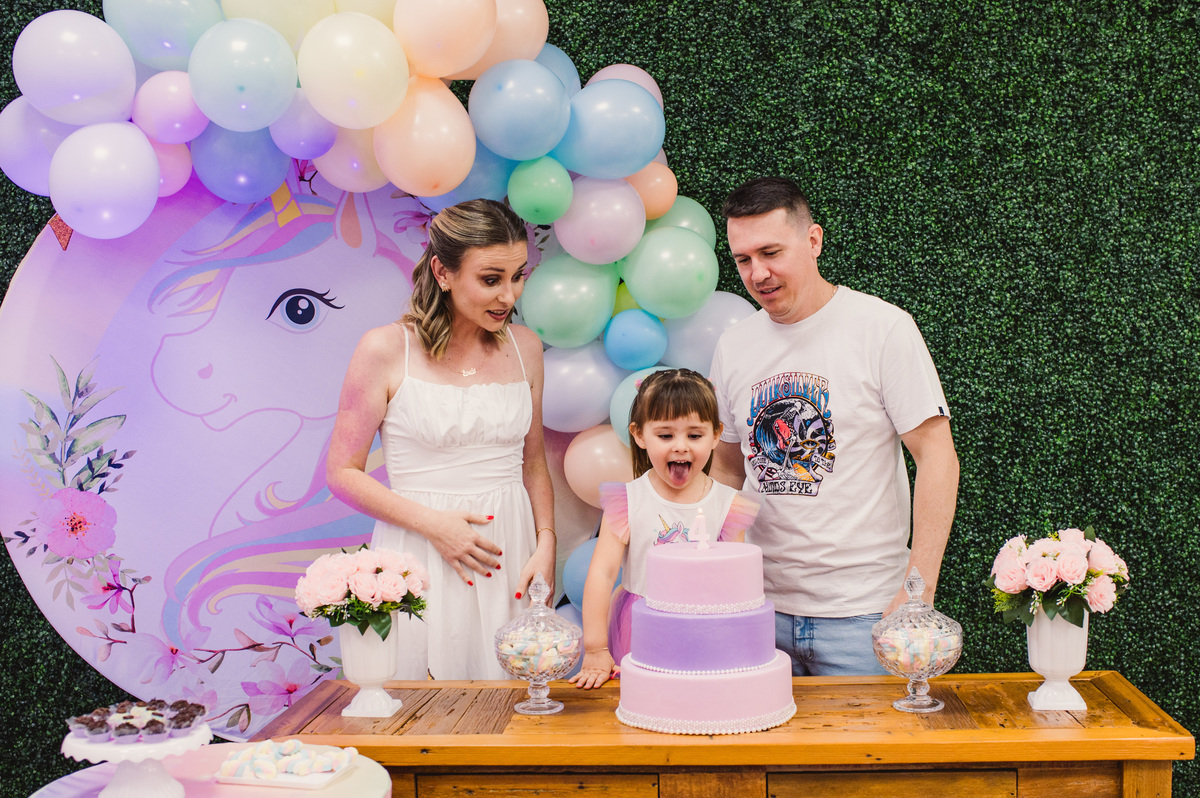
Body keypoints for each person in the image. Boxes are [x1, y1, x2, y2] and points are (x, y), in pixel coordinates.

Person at [709, 177, 960, 676]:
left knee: (868, 757)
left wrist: (919, 589)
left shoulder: (883, 328)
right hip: (758, 611)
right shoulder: (733, 346)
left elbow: (937, 456)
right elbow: (726, 467)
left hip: (864, 615)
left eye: (770, 252)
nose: (758, 273)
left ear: (813, 240)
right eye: (743, 260)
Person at [326, 198, 557, 680]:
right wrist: (436, 525)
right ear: (443, 271)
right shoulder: (386, 349)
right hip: (421, 552)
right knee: (423, 704)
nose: (509, 296)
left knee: (508, 705)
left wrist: (546, 542)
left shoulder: (527, 347)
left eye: (519, 277)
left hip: (508, 554)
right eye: (491, 279)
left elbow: (533, 463)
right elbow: (342, 473)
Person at [569, 369, 759, 689]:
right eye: (666, 435)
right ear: (640, 435)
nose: (681, 447)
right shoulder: (627, 501)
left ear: (716, 435)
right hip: (641, 625)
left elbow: (736, 584)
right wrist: (596, 649)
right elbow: (602, 574)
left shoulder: (729, 505)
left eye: (694, 435)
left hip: (706, 628)